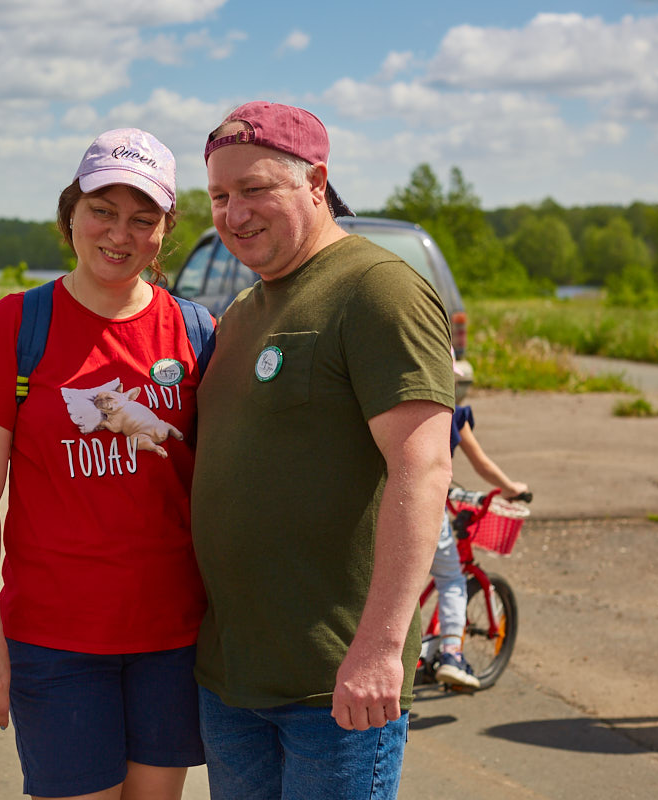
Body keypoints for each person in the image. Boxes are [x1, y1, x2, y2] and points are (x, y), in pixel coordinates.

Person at [190, 101, 455, 799]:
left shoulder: (376, 288)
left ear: (315, 182)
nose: (234, 213)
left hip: (334, 685)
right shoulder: (243, 312)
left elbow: (423, 468)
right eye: (219, 195)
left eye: (254, 189)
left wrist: (380, 648)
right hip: (232, 680)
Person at [0, 128, 208, 800]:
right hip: (54, 639)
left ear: (164, 231)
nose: (119, 234)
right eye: (102, 211)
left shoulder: (196, 332)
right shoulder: (16, 325)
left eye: (142, 219)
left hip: (172, 635)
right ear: (71, 214)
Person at [431, 375, 530, 689]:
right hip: (426, 508)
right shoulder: (451, 415)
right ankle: (452, 655)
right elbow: (482, 464)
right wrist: (511, 488)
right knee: (451, 578)